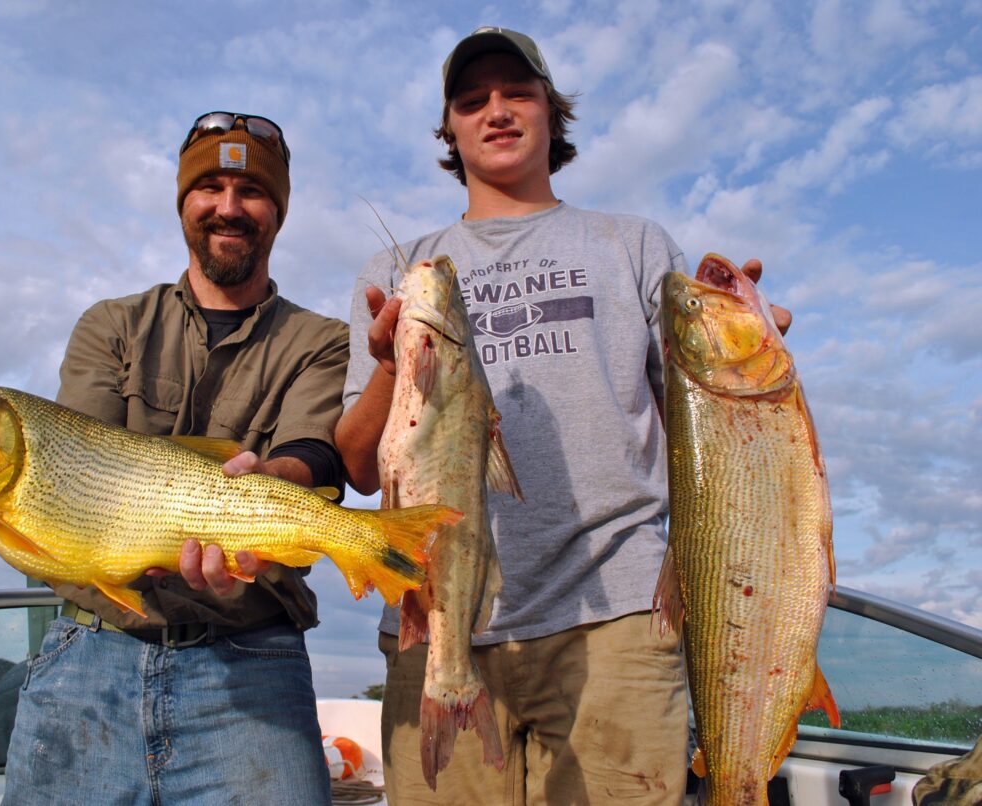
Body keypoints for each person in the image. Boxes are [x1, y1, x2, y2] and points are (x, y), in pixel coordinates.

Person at [335, 28, 790, 805]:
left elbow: (705, 416)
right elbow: (353, 462)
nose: (497, 111)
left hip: (618, 617)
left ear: (553, 111)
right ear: (450, 130)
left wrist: (748, 353)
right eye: (472, 101)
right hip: (436, 617)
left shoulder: (636, 245)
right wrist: (388, 368)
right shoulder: (396, 273)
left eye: (518, 92)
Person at [0, 111, 347, 804]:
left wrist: (267, 487)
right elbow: (73, 472)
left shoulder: (322, 339)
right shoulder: (111, 324)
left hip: (253, 657)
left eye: (250, 190)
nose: (227, 207)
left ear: (278, 209)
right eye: (209, 187)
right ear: (182, 202)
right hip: (89, 655)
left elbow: (312, 453)